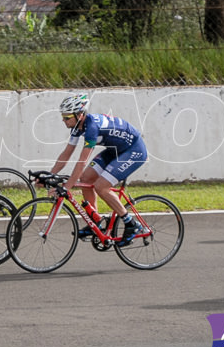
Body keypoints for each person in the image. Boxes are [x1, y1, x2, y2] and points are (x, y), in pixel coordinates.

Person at [47, 93, 148, 243]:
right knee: (86, 178)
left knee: (101, 186)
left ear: (80, 115)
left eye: (67, 117)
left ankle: (131, 223)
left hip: (133, 150)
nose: (63, 120)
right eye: (63, 116)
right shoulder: (77, 127)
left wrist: (67, 187)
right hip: (115, 150)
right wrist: (49, 175)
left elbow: (82, 161)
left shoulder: (92, 128)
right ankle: (96, 222)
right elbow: (66, 154)